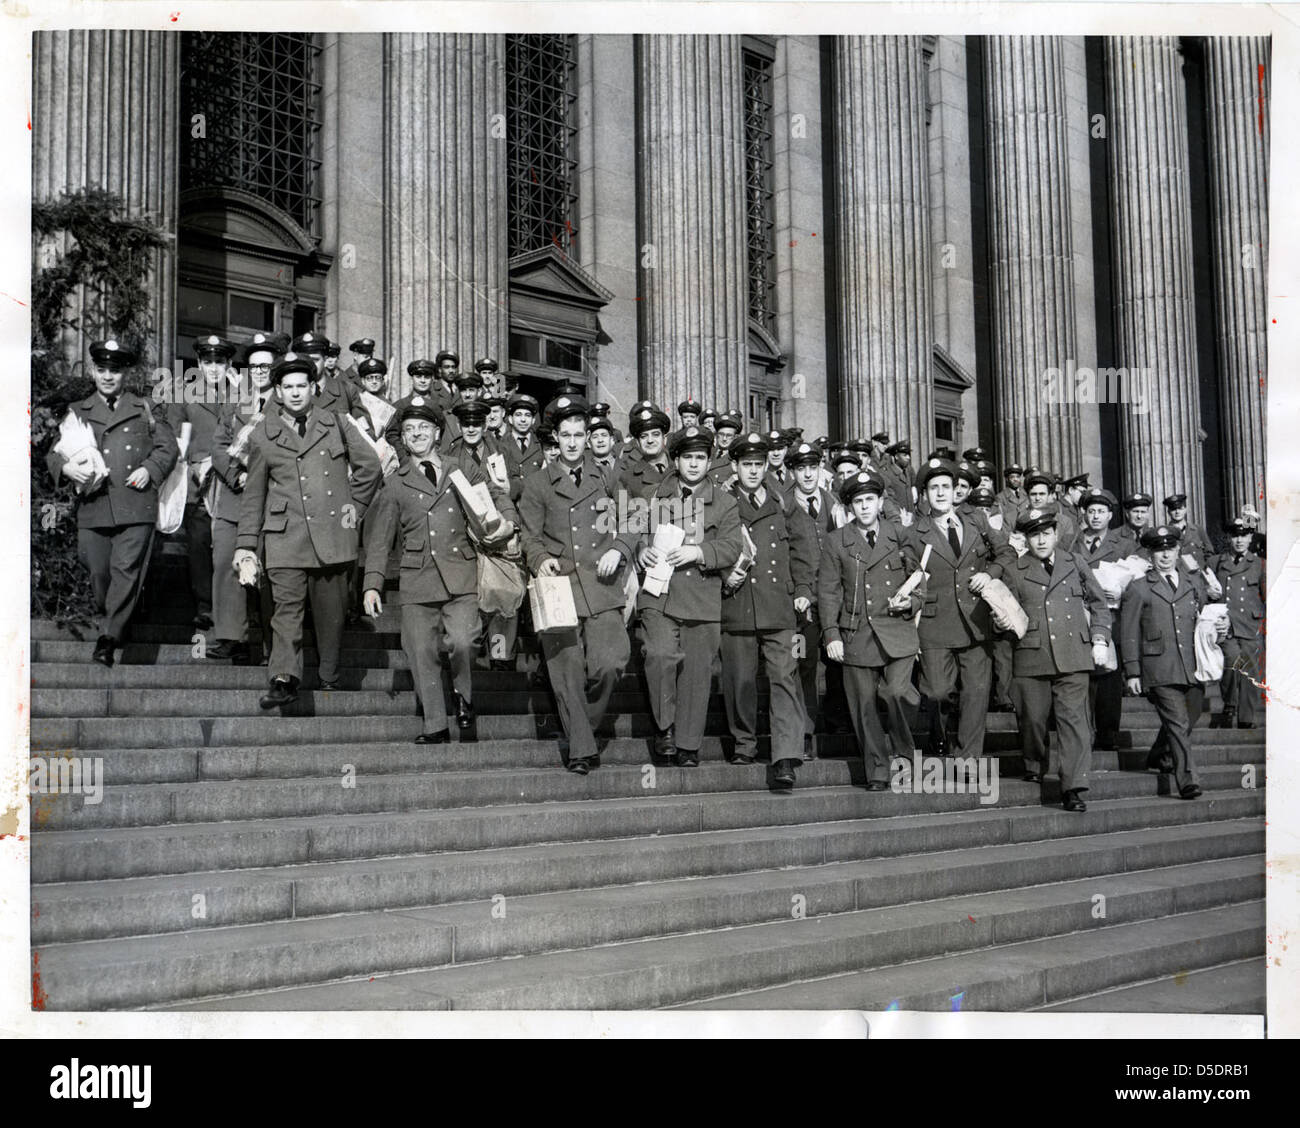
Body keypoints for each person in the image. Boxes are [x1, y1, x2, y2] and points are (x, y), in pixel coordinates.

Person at [233, 353, 383, 707]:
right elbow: (254, 495)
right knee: (285, 611)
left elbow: (370, 467)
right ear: (278, 392)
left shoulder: (338, 423)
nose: (296, 393)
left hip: (333, 534)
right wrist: (246, 544)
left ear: (313, 387)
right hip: (285, 536)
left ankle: (329, 674)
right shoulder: (263, 434)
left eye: (302, 386)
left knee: (331, 615)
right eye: (288, 387)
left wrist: (352, 511)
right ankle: (283, 678)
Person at [362, 403, 498, 743]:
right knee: (420, 650)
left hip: (460, 574)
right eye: (409, 430)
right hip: (417, 579)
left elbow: (492, 497)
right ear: (403, 438)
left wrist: (505, 523)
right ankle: (435, 724)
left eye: (423, 428)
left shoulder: (459, 468)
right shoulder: (395, 483)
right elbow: (380, 540)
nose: (417, 434)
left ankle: (463, 696)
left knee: (463, 641)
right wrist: (372, 585)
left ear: (437, 433)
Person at [517, 397, 638, 775]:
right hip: (560, 588)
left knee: (611, 663)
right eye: (565, 435)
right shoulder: (537, 483)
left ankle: (582, 726)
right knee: (566, 673)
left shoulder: (607, 476)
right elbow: (528, 536)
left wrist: (619, 549)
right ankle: (581, 749)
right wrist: (540, 559)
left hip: (602, 585)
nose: (572, 442)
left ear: (588, 437)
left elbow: (634, 517)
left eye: (578, 435)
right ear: (555, 437)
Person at [47, 339, 178, 666]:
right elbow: (54, 452)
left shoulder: (145, 407)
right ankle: (119, 617)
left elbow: (168, 448)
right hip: (94, 504)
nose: (108, 376)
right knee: (98, 570)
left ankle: (108, 637)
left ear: (125, 374)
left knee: (125, 569)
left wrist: (150, 469)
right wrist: (66, 468)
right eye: (102, 369)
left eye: (115, 371)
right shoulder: (78, 410)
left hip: (136, 504)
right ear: (93, 371)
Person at [634, 427, 743, 767]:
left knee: (697, 673)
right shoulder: (652, 496)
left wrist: (698, 552)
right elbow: (634, 533)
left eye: (700, 457)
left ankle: (688, 744)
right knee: (659, 655)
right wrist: (641, 551)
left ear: (709, 462)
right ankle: (664, 726)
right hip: (659, 594)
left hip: (701, 596)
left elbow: (732, 546)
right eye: (687, 457)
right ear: (676, 460)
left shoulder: (725, 502)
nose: (694, 464)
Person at [718, 433, 816, 787]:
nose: (753, 471)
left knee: (784, 677)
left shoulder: (783, 501)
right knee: (739, 679)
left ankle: (785, 756)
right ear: (735, 466)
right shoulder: (721, 502)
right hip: (737, 603)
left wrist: (803, 590)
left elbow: (803, 550)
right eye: (746, 464)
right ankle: (744, 742)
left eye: (759, 464)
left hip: (779, 606)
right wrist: (724, 577)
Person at [1001, 505, 1112, 812]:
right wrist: (1002, 621)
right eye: (1034, 535)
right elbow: (1005, 615)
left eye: (1046, 534)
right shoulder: (1014, 570)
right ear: (1026, 539)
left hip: (1074, 654)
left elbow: (1099, 604)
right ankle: (1035, 762)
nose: (1041, 540)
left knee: (1074, 723)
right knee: (1033, 720)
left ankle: (1073, 787)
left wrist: (1100, 638)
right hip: (1031, 656)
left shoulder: (1074, 562)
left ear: (1055, 533)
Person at [819, 473, 924, 790]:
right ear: (849, 506)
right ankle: (877, 770)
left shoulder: (901, 534)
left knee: (896, 693)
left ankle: (905, 759)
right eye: (858, 501)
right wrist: (831, 633)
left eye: (870, 500)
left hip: (898, 630)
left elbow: (920, 580)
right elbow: (829, 591)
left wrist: (911, 603)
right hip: (857, 633)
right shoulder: (837, 541)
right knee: (864, 708)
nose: (864, 506)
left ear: (880, 503)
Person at [911, 457, 1016, 761]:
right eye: (934, 488)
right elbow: (908, 576)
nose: (941, 493)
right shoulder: (914, 532)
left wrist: (990, 574)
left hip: (975, 622)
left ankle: (968, 758)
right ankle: (940, 735)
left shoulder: (977, 522)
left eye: (946, 486)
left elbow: (1006, 553)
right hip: (934, 625)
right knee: (936, 692)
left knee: (976, 693)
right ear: (924, 494)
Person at [1119, 526, 1212, 799]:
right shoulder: (1138, 588)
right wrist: (1132, 671)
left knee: (1190, 716)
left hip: (1192, 665)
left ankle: (1160, 753)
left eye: (1170, 549)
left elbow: (1204, 620)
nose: (1165, 555)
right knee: (1178, 722)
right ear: (1150, 554)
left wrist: (1219, 625)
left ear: (1178, 550)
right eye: (1159, 550)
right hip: (1159, 667)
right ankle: (1188, 780)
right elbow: (1128, 632)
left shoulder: (1193, 583)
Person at [207, 335, 278, 664]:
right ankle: (230, 636)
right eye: (254, 367)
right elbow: (219, 446)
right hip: (234, 497)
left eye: (266, 366)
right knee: (225, 564)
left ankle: (268, 642)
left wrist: (260, 477)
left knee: (267, 573)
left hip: (270, 501)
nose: (260, 372)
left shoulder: (287, 403)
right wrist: (236, 476)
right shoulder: (235, 402)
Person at [168, 333, 239, 631]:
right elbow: (174, 439)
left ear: (228, 365)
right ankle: (205, 605)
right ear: (198, 363)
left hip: (231, 479)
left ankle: (230, 607)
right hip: (197, 481)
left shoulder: (240, 394)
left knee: (228, 543)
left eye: (219, 362)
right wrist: (191, 466)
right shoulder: (182, 394)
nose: (213, 368)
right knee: (199, 542)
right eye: (208, 362)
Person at [1071, 488, 1129, 751]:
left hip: (1111, 618)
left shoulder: (1123, 545)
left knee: (1109, 679)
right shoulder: (1071, 543)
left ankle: (1108, 732)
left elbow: (1139, 580)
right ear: (1085, 514)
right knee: (1082, 677)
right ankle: (1083, 732)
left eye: (1101, 512)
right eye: (1091, 511)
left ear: (1110, 515)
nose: (1095, 516)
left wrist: (1122, 591)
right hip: (1078, 615)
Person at [1208, 518, 1265, 729]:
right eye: (1235, 536)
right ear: (1228, 538)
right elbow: (1206, 594)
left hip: (1251, 625)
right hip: (1226, 625)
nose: (1239, 540)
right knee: (1231, 661)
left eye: (1244, 535)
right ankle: (1230, 704)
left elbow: (1267, 596)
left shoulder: (1260, 564)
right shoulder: (1215, 562)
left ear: (1250, 538)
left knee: (1251, 671)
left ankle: (1246, 717)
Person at [619, 404, 673, 500]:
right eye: (644, 436)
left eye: (655, 434)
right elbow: (623, 509)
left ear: (664, 439)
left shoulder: (682, 469)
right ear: (638, 443)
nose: (650, 440)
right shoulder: (627, 478)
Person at [1163, 493, 1214, 569]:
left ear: (1185, 510)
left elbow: (1209, 552)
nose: (1177, 512)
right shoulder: (1165, 533)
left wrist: (1206, 568)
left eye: (1180, 508)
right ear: (1168, 512)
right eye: (1173, 509)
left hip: (1199, 572)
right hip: (1179, 573)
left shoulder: (1198, 529)